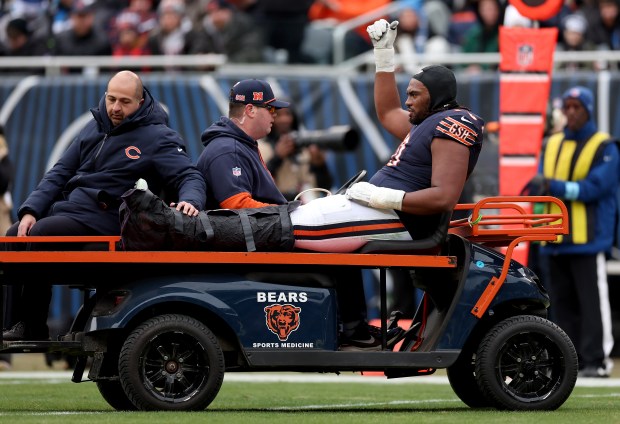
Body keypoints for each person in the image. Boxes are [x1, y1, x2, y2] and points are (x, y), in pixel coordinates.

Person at [2, 70, 206, 342]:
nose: (115, 108)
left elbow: (189, 175)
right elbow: (59, 173)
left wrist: (190, 201)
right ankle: (14, 324)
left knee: (42, 233)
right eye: (111, 99)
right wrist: (30, 210)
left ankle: (34, 327)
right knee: (14, 235)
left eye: (124, 102)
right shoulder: (94, 126)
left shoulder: (158, 136)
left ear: (141, 102)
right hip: (72, 212)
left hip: (110, 217)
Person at [521, 86, 618, 378]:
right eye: (568, 107)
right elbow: (540, 186)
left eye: (578, 107)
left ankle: (596, 361)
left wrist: (556, 187)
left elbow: (596, 188)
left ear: (588, 111)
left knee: (592, 305)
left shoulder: (605, 146)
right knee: (560, 306)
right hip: (553, 240)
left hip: (587, 240)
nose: (572, 113)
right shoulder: (551, 144)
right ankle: (568, 360)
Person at [257, 104, 333, 202]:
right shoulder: (261, 148)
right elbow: (259, 185)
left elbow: (326, 186)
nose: (284, 119)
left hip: (310, 208)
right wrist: (277, 157)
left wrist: (320, 165)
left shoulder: (306, 148)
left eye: (288, 114)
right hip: (281, 210)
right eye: (278, 115)